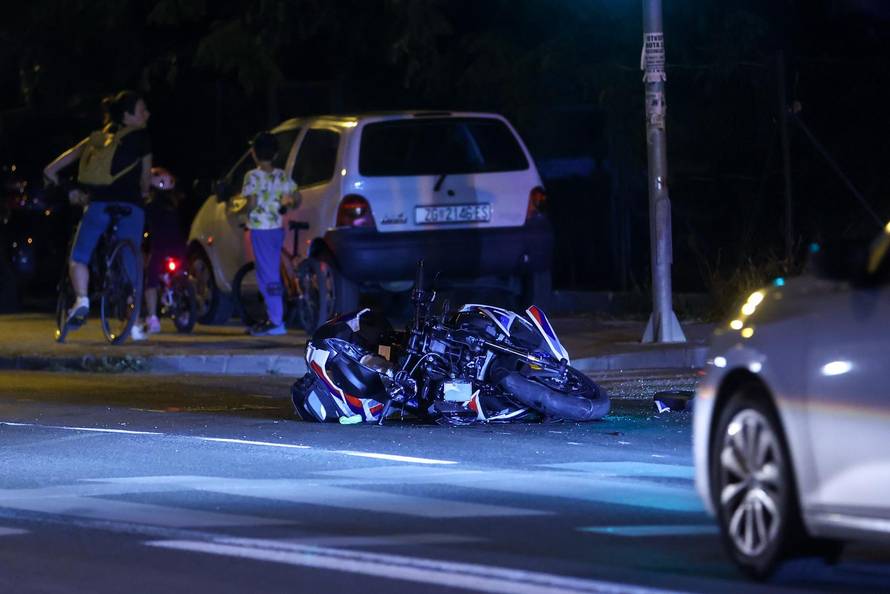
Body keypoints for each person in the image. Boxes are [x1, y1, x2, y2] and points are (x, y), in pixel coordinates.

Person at [44, 90, 153, 340]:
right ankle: (133, 319)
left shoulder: (96, 139)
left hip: (99, 203)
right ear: (127, 116)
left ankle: (81, 299)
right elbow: (145, 180)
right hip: (131, 207)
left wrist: (70, 189)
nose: (147, 114)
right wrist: (144, 192)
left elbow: (50, 170)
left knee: (79, 256)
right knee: (131, 260)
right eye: (142, 110)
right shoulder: (143, 139)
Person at [240, 131, 298, 336]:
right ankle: (274, 317)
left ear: (254, 153)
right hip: (276, 229)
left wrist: (242, 212)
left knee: (267, 274)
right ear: (275, 154)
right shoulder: (282, 175)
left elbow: (252, 202)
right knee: (271, 269)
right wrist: (287, 203)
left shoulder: (252, 176)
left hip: (261, 229)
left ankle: (276, 321)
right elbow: (296, 197)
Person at [142, 166, 185, 333]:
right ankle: (186, 304)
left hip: (160, 248)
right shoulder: (176, 205)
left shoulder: (150, 206)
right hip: (179, 247)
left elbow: (145, 226)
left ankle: (153, 319)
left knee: (151, 282)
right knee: (182, 273)